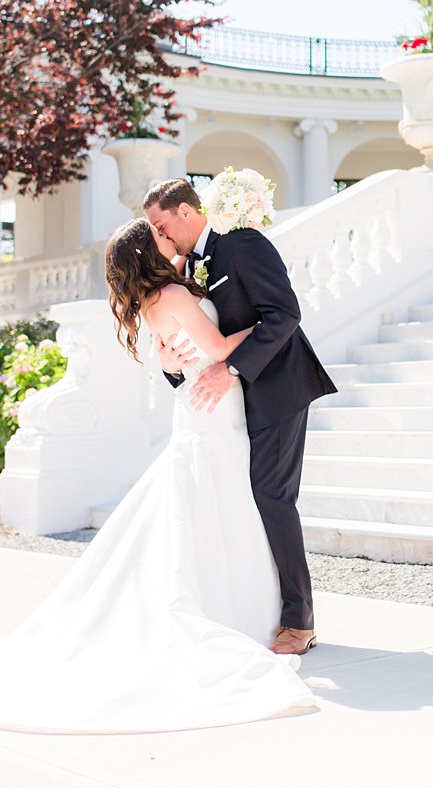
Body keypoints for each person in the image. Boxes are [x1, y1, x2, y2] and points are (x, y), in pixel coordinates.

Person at [0, 218, 315, 733]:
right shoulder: (173, 294)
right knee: (224, 504)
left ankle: (240, 608)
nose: (169, 237)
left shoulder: (152, 300)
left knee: (216, 506)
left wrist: (178, 352)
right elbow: (222, 348)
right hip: (214, 413)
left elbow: (178, 356)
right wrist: (267, 324)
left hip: (203, 411)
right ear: (151, 249)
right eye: (159, 235)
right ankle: (241, 612)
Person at [144, 178, 337, 655]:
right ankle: (257, 608)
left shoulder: (243, 243)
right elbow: (188, 343)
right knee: (246, 499)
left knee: (273, 496)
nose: (158, 234)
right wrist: (174, 371)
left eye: (161, 223)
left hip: (278, 388)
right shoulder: (186, 267)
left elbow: (284, 315)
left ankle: (299, 620)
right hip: (229, 406)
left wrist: (230, 369)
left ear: (187, 212)